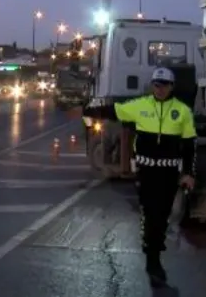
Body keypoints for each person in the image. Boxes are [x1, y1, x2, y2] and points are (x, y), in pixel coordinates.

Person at [82, 67, 197, 287]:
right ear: (152, 86)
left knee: (162, 216)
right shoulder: (140, 106)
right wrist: (91, 110)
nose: (160, 89)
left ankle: (154, 252)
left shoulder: (182, 111)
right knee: (151, 213)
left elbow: (189, 145)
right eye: (156, 85)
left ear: (171, 87)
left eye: (164, 85)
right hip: (147, 172)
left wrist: (188, 174)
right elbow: (114, 110)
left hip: (169, 173)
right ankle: (153, 262)